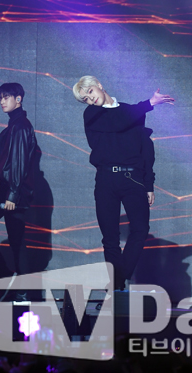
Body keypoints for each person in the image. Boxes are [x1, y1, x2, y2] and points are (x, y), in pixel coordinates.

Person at [73, 76, 172, 290]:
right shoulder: (92, 114)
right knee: (110, 238)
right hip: (106, 180)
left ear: (99, 85)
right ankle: (117, 286)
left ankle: (117, 281)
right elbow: (117, 121)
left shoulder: (131, 111)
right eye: (85, 98)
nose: (90, 99)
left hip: (132, 178)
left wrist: (149, 184)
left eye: (90, 92)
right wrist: (148, 104)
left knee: (140, 229)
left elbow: (145, 149)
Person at [0, 83, 36, 281]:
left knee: (15, 240)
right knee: (14, 239)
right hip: (11, 188)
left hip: (12, 189)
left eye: (6, 97)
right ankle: (7, 277)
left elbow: (19, 162)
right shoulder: (15, 125)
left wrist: (13, 194)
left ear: (18, 99)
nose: (2, 101)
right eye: (0, 98)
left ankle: (15, 284)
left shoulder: (20, 126)